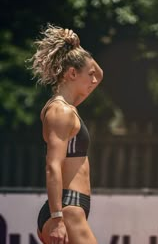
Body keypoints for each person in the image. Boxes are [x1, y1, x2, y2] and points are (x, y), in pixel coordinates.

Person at [29, 24, 103, 244]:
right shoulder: (60, 111)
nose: (93, 80)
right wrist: (57, 218)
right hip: (66, 209)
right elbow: (52, 166)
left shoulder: (69, 107)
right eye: (87, 74)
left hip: (72, 206)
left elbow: (100, 75)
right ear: (72, 73)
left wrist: (78, 48)